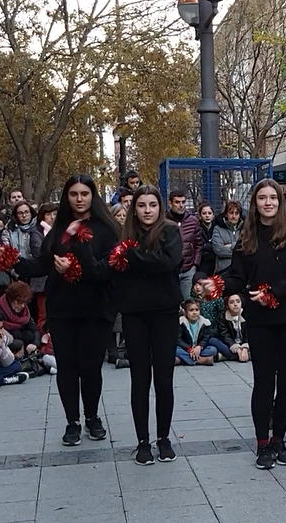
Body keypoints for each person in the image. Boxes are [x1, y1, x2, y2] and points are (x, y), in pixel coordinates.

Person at [15, 174, 120, 446]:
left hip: (96, 307)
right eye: (74, 194)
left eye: (84, 193)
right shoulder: (59, 227)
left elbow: (106, 269)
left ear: (92, 196)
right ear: (67, 197)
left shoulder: (107, 229)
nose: (79, 199)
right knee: (67, 367)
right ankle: (72, 421)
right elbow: (40, 265)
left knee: (91, 366)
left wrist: (76, 264)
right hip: (63, 308)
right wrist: (7, 257)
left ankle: (92, 417)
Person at [225, 179, 286, 471]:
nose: (268, 202)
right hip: (260, 318)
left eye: (272, 197)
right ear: (255, 202)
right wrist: (217, 285)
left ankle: (278, 439)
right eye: (262, 198)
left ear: (280, 200)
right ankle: (262, 444)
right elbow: (237, 274)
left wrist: (274, 293)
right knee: (263, 381)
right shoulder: (247, 233)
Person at [110, 185, 184, 465]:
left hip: (164, 312)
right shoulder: (124, 234)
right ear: (134, 208)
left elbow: (167, 262)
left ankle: (164, 438)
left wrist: (133, 257)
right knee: (139, 380)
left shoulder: (170, 231)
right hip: (135, 313)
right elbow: (116, 269)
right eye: (142, 205)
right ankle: (143, 441)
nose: (147, 210)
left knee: (164, 379)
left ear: (160, 207)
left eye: (152, 205)